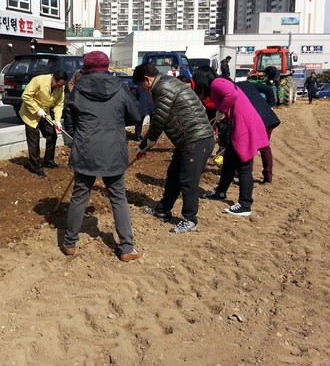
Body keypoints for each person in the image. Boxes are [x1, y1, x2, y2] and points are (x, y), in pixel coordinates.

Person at [62, 51, 142, 261]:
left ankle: (70, 243)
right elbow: (135, 115)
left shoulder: (77, 90)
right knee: (118, 197)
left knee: (80, 196)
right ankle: (126, 247)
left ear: (85, 68)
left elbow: (68, 123)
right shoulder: (120, 88)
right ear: (107, 66)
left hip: (85, 148)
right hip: (113, 150)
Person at [132, 63, 215, 233]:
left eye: (142, 86)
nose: (144, 90)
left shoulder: (162, 88)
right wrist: (144, 146)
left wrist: (147, 144)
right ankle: (163, 210)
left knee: (188, 181)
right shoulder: (167, 82)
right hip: (188, 140)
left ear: (147, 80)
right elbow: (161, 117)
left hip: (197, 139)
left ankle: (190, 219)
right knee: (174, 175)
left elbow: (159, 120)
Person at [194, 70, 269, 217]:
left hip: (243, 126)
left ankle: (245, 204)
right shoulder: (218, 84)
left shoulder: (217, 83)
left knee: (244, 166)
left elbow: (231, 95)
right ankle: (220, 192)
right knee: (228, 161)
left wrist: (221, 111)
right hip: (238, 126)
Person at [19, 70, 68, 177]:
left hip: (45, 114)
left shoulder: (61, 87)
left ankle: (48, 161)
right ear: (53, 79)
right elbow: (26, 96)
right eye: (58, 85)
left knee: (52, 136)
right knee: (34, 142)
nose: (59, 87)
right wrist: (37, 110)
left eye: (62, 85)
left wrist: (58, 120)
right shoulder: (38, 80)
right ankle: (36, 166)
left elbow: (59, 104)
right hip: (31, 114)